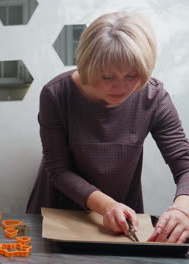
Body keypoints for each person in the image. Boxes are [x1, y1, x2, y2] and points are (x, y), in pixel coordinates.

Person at [26, 11, 189, 243]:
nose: (121, 87)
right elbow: (58, 170)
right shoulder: (56, 94)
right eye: (108, 77)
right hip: (59, 211)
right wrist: (107, 205)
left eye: (132, 75)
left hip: (123, 219)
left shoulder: (154, 97)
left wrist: (182, 209)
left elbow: (184, 162)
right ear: (88, 66)